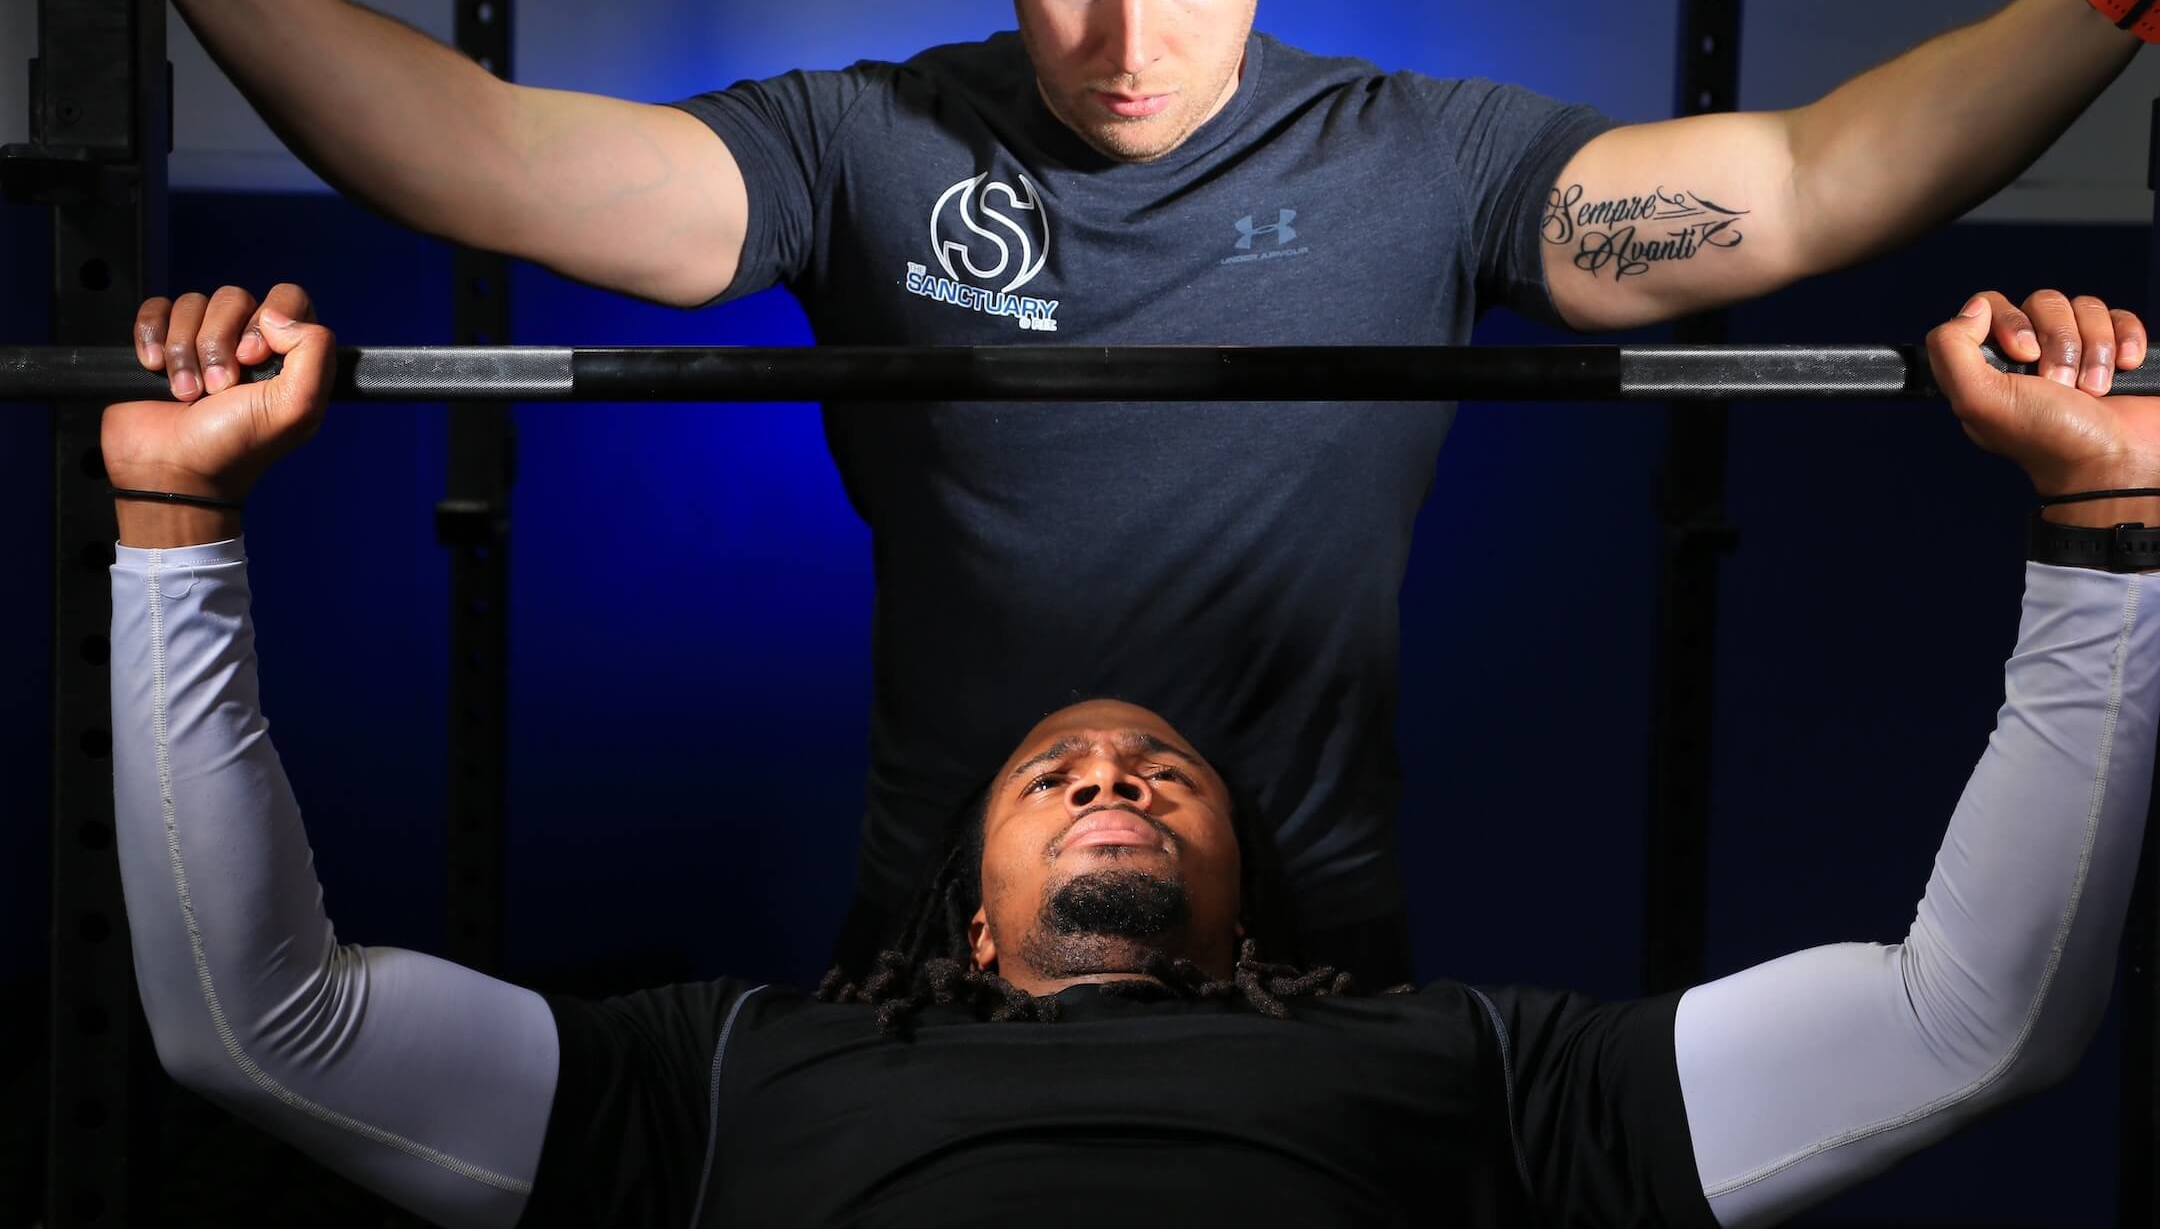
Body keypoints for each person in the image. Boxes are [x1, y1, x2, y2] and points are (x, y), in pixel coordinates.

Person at [33, 0, 2160, 982]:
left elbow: (1794, 188)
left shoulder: (1423, 158)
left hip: (1310, 930)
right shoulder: (865, 142)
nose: (1125, 41)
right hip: (933, 924)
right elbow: (491, 155)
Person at [101, 281, 2160, 1227]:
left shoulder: (1486, 1072)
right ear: (964, 905)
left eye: (1166, 773)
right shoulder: (726, 1073)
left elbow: (1966, 1024)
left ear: (1248, 878)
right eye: (1056, 770)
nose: (1111, 773)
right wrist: (175, 526)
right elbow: (253, 1028)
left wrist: (2103, 529)